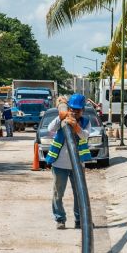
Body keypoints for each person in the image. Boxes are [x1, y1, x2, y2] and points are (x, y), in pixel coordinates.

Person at [46, 94, 92, 230]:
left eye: (77, 111)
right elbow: (50, 129)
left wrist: (76, 126)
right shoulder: (62, 119)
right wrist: (61, 117)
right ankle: (60, 219)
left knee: (79, 194)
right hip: (59, 165)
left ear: (82, 110)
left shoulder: (85, 122)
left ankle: (79, 220)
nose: (74, 112)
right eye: (72, 109)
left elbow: (84, 135)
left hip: (77, 165)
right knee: (57, 194)